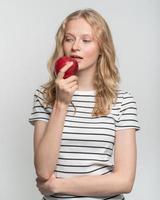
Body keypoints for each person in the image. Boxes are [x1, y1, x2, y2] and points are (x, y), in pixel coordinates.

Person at [28, 8, 140, 200]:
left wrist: (57, 185)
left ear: (101, 48)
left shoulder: (122, 101)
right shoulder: (44, 96)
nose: (75, 47)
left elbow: (124, 182)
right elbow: (44, 171)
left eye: (86, 40)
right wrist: (61, 104)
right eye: (69, 38)